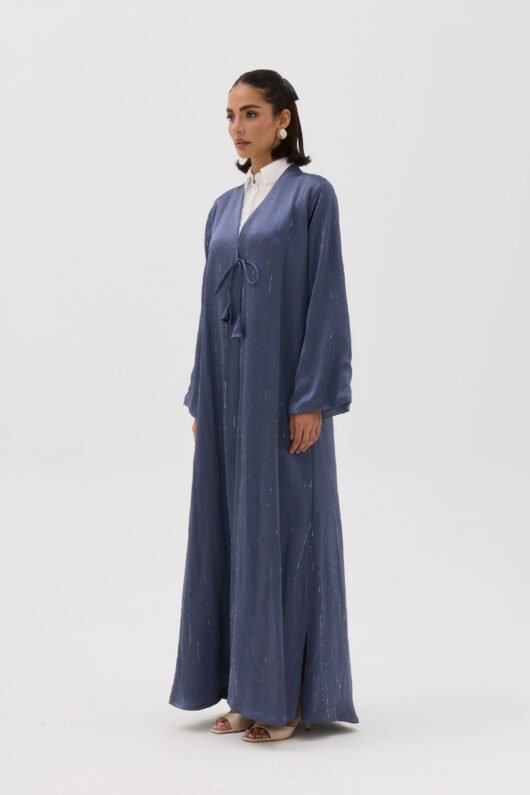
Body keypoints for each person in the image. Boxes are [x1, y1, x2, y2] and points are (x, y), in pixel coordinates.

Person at [168, 69, 360, 743]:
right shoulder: (223, 208)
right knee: (232, 531)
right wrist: (203, 394)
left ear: (283, 120)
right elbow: (207, 311)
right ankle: (246, 688)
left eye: (250, 113)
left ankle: (288, 697)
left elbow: (325, 297)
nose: (237, 127)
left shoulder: (311, 196)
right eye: (230, 115)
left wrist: (313, 398)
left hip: (283, 394)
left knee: (285, 530)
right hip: (228, 396)